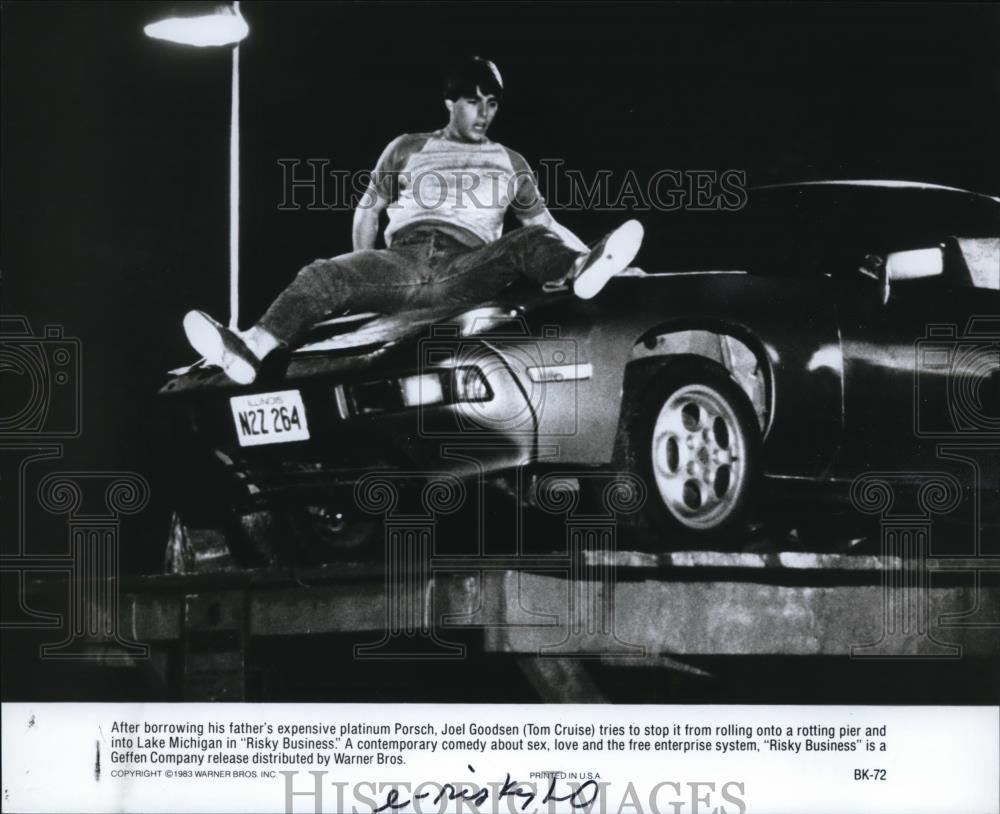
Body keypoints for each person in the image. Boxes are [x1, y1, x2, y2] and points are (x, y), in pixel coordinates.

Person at [184, 56, 643, 385]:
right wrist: (365, 268)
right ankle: (248, 349)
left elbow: (545, 222)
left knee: (533, 239)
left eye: (493, 104)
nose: (484, 113)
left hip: (467, 266)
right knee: (321, 274)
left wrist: (595, 260)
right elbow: (369, 209)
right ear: (450, 102)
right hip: (402, 264)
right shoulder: (407, 147)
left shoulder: (511, 161)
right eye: (473, 101)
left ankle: (583, 268)